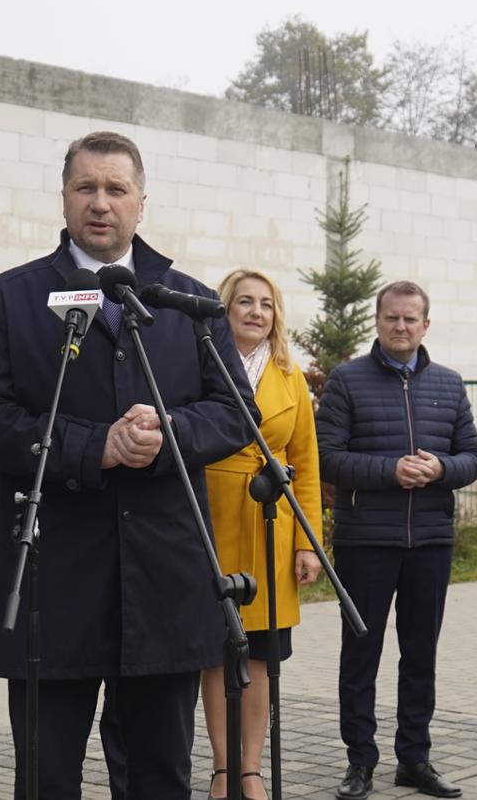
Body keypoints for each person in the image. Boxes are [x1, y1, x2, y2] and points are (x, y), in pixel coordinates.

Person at [0, 131, 256, 800]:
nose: (100, 202)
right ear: (64, 198)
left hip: (164, 581)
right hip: (55, 584)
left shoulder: (190, 303)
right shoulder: (8, 299)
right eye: (86, 187)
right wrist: (97, 447)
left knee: (159, 778)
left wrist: (168, 431)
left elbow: (238, 414)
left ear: (141, 203)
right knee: (47, 775)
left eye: (116, 189)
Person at [316, 280, 477, 800]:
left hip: (431, 541)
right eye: (392, 317)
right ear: (378, 320)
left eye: (411, 319)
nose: (401, 326)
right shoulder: (346, 382)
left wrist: (439, 468)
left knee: (420, 655)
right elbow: (327, 457)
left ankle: (414, 758)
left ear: (425, 325)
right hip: (365, 541)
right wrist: (392, 471)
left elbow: (475, 458)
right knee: (361, 654)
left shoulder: (450, 385)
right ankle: (359, 762)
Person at [199, 269, 326, 800]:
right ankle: (223, 767)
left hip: (272, 522)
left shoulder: (289, 373)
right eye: (244, 302)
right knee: (213, 650)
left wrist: (308, 541)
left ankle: (252, 768)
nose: (255, 311)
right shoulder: (201, 365)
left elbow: (307, 462)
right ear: (225, 309)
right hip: (211, 518)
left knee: (260, 656)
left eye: (266, 304)